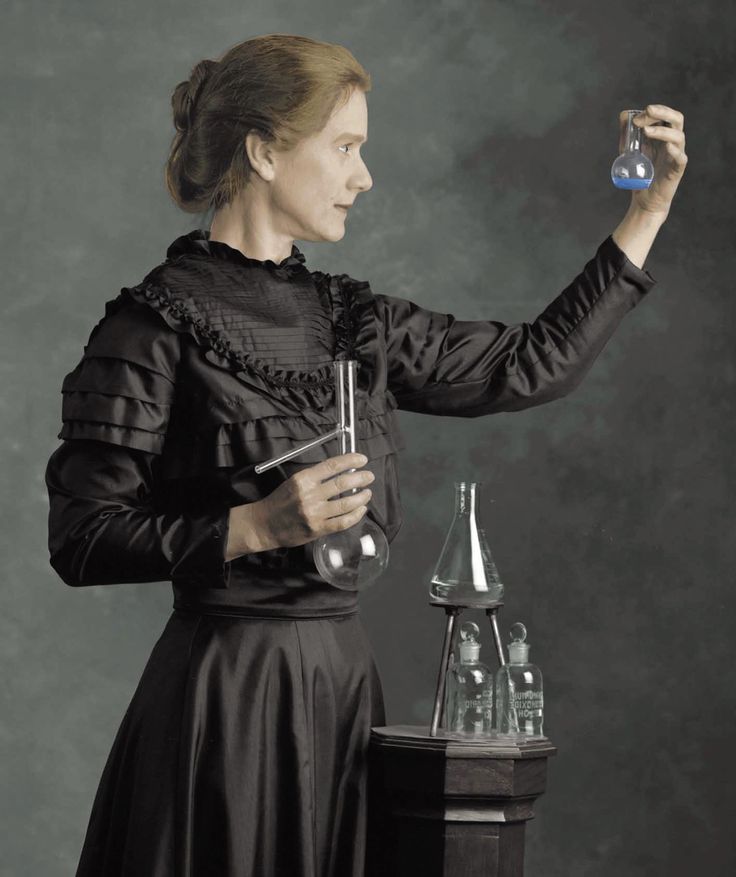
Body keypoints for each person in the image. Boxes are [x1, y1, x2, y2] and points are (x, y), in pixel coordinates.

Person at [44, 33, 687, 877]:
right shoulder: (150, 329)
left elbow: (528, 363)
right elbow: (82, 538)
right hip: (224, 701)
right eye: (345, 148)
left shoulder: (356, 321)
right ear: (265, 150)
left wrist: (646, 213)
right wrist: (255, 524)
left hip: (345, 689)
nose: (364, 175)